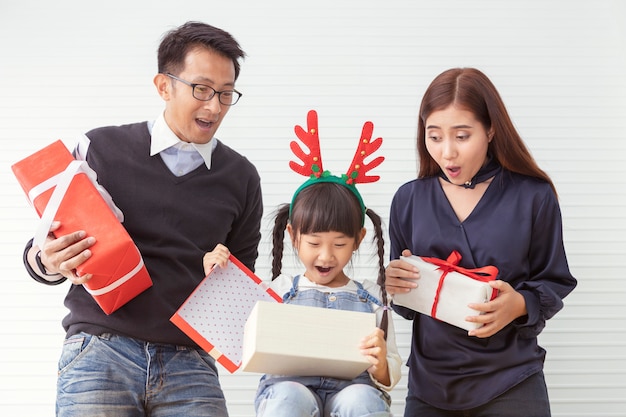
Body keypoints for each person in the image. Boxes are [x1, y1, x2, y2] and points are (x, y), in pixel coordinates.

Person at [21, 21, 262, 416]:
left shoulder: (241, 177)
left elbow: (241, 281)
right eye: (201, 89)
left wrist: (224, 274)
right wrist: (49, 260)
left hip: (190, 364)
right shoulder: (101, 148)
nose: (215, 106)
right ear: (164, 86)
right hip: (100, 350)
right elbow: (38, 252)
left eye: (225, 93)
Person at [385, 67, 577, 417]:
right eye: (435, 137)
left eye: (461, 136)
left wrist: (518, 304)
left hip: (511, 379)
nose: (447, 154)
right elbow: (405, 307)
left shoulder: (533, 196)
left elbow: (554, 280)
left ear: (490, 129)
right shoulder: (408, 200)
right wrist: (395, 284)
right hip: (431, 386)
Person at [254, 110, 402, 417]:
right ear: (293, 236)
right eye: (314, 243)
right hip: (289, 392)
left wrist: (381, 364)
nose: (325, 256)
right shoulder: (278, 290)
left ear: (358, 240)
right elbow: (235, 338)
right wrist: (221, 265)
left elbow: (390, 377)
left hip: (352, 393)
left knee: (361, 399)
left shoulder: (374, 297)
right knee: (288, 396)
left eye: (339, 244)